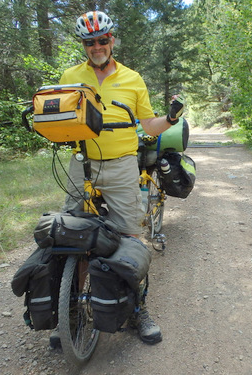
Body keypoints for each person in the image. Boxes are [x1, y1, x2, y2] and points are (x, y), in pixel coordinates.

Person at [54, 10, 185, 346]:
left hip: (122, 164)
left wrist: (169, 119)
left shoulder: (132, 78)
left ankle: (138, 308)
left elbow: (148, 124)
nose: (96, 46)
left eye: (102, 40)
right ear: (83, 45)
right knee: (71, 236)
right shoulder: (71, 75)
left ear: (111, 40)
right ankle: (71, 314)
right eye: (89, 42)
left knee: (130, 237)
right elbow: (60, 116)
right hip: (81, 163)